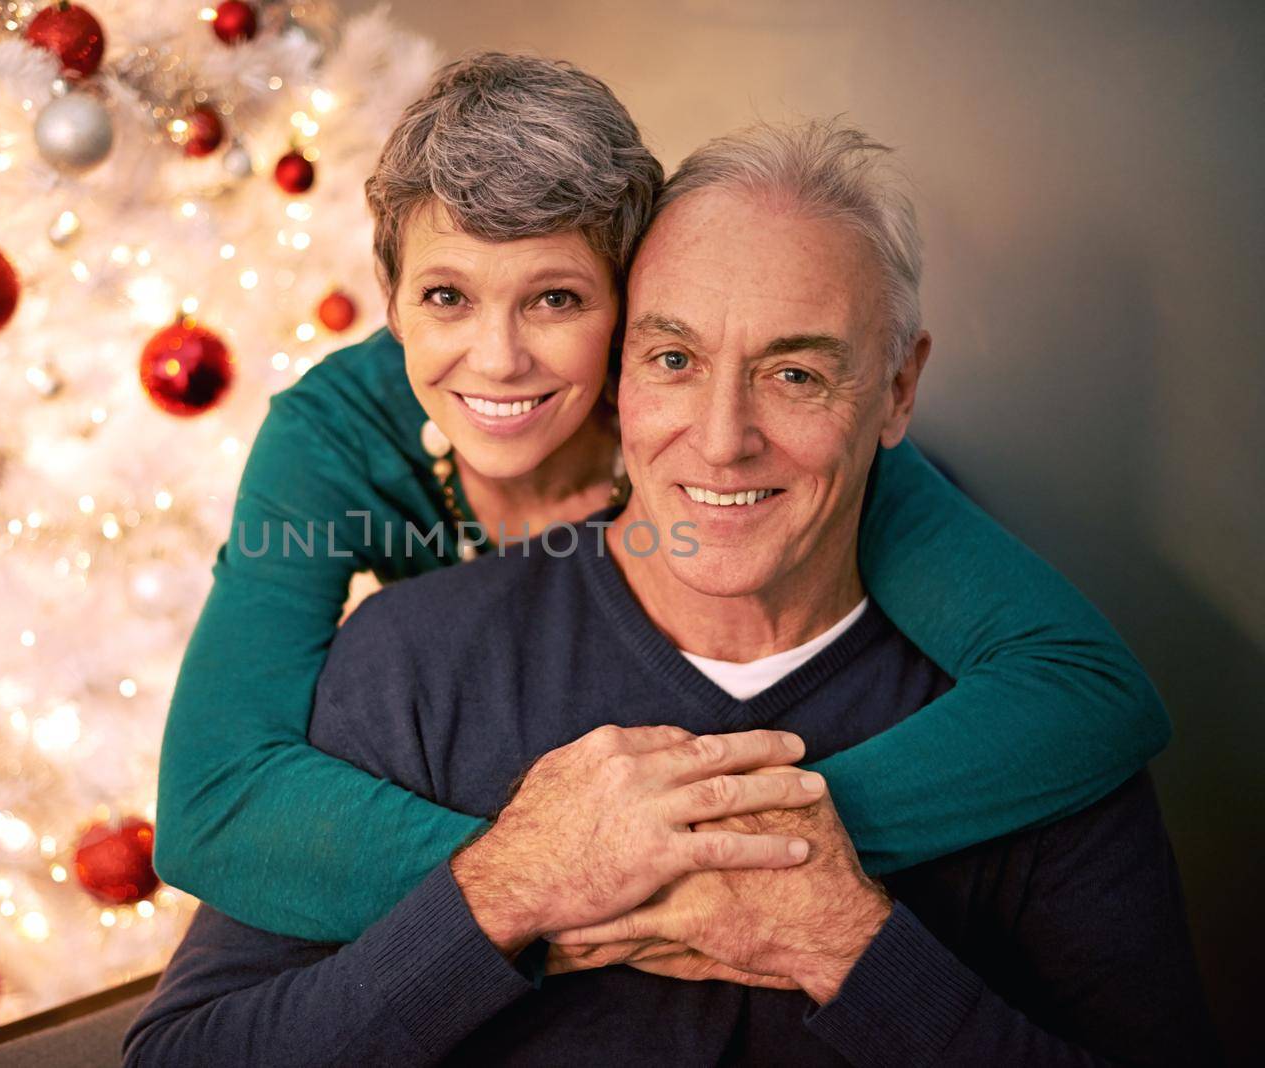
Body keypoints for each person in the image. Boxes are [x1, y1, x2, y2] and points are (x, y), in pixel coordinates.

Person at [123, 120, 1215, 1067]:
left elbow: (1095, 694)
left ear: (897, 391)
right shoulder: (403, 654)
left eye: (796, 373)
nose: (727, 437)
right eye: (677, 359)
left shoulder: (1020, 735)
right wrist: (517, 886)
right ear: (628, 370)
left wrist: (844, 941)